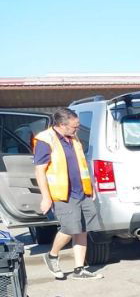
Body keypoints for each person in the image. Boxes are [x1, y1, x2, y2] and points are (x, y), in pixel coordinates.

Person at [33, 108, 102, 280]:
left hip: (82, 191)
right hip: (63, 193)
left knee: (83, 229)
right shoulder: (45, 139)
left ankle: (80, 269)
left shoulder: (73, 138)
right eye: (74, 126)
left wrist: (91, 187)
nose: (77, 129)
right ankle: (52, 256)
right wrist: (46, 198)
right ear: (62, 125)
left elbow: (81, 164)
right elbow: (40, 171)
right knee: (70, 228)